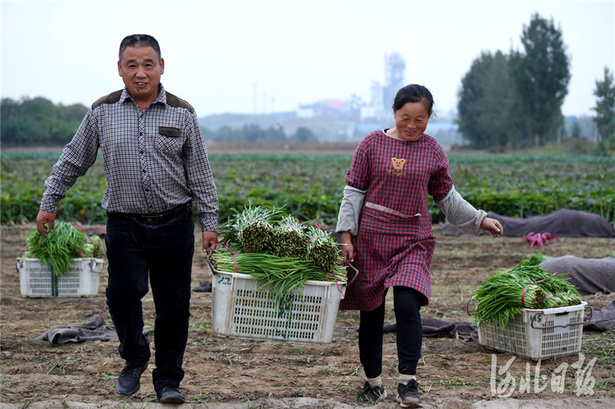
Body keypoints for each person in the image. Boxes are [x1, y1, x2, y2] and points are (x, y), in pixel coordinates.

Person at [36, 34, 219, 404]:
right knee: (121, 295)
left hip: (174, 224)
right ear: (120, 69)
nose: (140, 73)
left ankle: (168, 379)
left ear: (161, 67)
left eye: (148, 64)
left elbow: (200, 173)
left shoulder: (182, 113)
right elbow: (73, 160)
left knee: (174, 305)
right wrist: (49, 200)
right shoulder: (102, 112)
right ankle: (134, 355)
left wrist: (209, 222)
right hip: (124, 223)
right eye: (131, 65)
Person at [336, 84, 502, 407]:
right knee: (371, 314)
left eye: (421, 119)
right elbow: (353, 192)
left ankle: (408, 382)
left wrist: (479, 219)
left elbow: (447, 200)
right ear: (394, 112)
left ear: (429, 118)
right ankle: (373, 384)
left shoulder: (432, 151)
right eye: (405, 117)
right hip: (370, 240)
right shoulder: (371, 144)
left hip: (412, 240)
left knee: (407, 306)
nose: (412, 126)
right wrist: (346, 235)